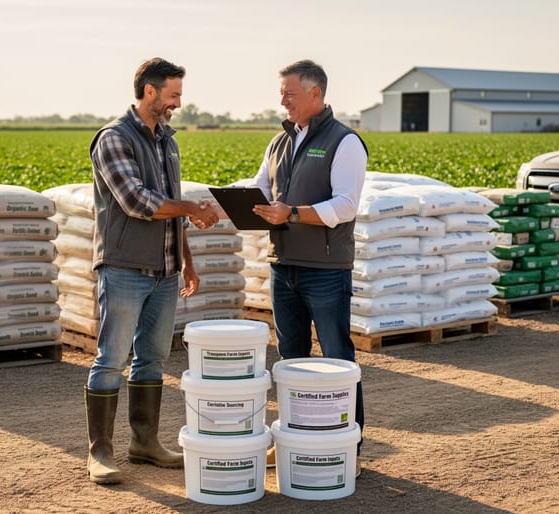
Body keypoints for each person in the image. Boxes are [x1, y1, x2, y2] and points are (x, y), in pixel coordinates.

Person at [85, 57, 219, 485]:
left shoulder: (167, 141)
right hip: (124, 267)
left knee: (152, 360)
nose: (178, 102)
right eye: (174, 94)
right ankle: (100, 452)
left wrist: (188, 262)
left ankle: (144, 443)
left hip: (164, 272)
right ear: (149, 92)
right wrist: (192, 209)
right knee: (111, 361)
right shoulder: (114, 138)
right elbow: (137, 201)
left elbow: (172, 207)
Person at [249, 59, 368, 476]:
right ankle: (291, 441)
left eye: (290, 93)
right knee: (290, 358)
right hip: (284, 266)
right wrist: (226, 201)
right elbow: (262, 187)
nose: (282, 100)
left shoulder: (344, 142)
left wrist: (293, 214)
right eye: (281, 92)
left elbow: (346, 205)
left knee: (338, 356)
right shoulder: (279, 142)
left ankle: (349, 445)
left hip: (326, 269)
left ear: (315, 94)